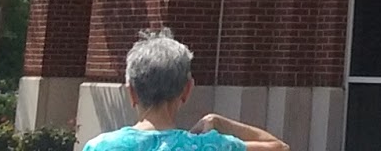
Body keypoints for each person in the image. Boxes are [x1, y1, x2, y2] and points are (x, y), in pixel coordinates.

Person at [82, 29, 289, 151]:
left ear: (131, 93)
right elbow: (279, 147)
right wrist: (218, 121)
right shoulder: (210, 146)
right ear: (187, 90)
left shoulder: (100, 147)